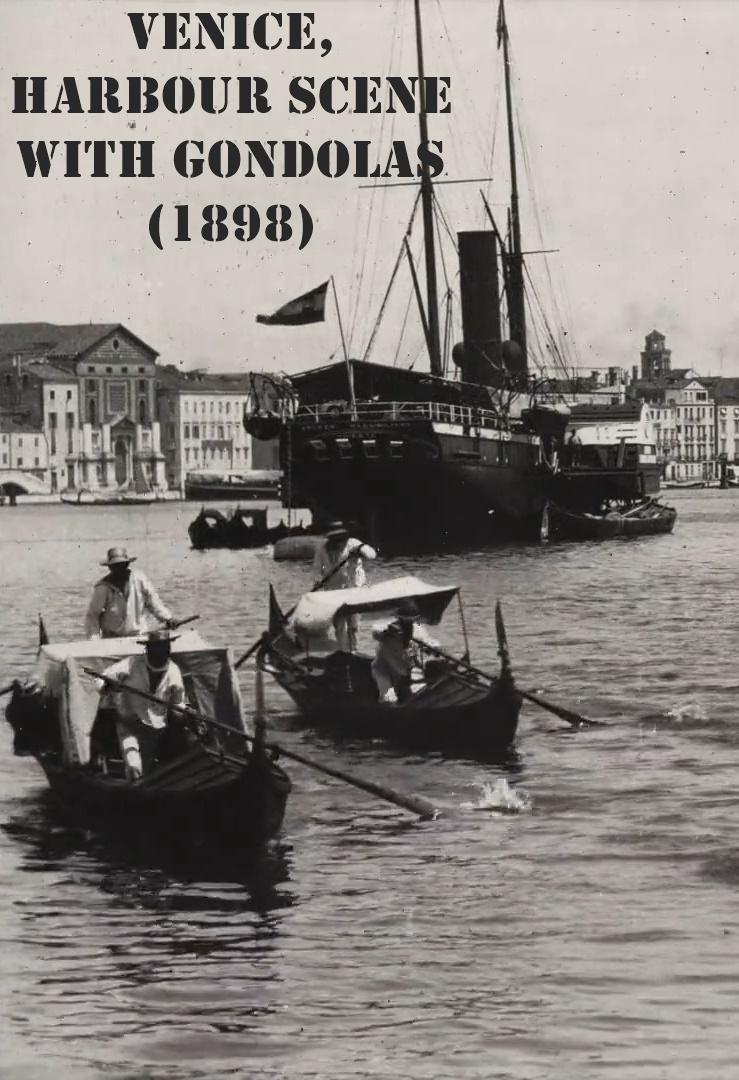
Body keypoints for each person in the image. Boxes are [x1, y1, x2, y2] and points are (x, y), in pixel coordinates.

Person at [97, 629, 188, 780]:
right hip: (129, 724)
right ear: (149, 649)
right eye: (158, 647)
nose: (163, 652)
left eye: (166, 647)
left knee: (146, 774)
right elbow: (100, 679)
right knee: (134, 766)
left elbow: (179, 704)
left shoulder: (174, 671)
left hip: (155, 729)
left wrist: (184, 713)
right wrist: (109, 685)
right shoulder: (132, 664)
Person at [85, 547, 177, 639]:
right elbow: (92, 615)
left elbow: (153, 602)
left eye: (122, 565)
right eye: (116, 566)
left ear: (127, 564)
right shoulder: (103, 587)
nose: (119, 569)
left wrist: (168, 618)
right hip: (112, 639)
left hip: (139, 635)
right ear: (110, 568)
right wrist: (94, 640)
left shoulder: (139, 579)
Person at [312, 521, 377, 650]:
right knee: (339, 626)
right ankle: (342, 652)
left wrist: (360, 551)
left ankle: (354, 650)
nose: (337, 542)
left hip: (355, 590)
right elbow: (316, 570)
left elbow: (372, 555)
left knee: (354, 626)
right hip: (334, 592)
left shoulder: (353, 543)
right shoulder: (322, 549)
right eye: (334, 539)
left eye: (339, 538)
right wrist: (317, 581)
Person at [371, 602, 438, 704]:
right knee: (389, 699)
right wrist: (387, 631)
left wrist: (435, 648)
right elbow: (376, 632)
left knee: (420, 693)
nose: (408, 624)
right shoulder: (387, 631)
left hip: (406, 672)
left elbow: (430, 643)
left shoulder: (417, 630)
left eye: (410, 620)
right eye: (404, 620)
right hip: (384, 671)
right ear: (399, 618)